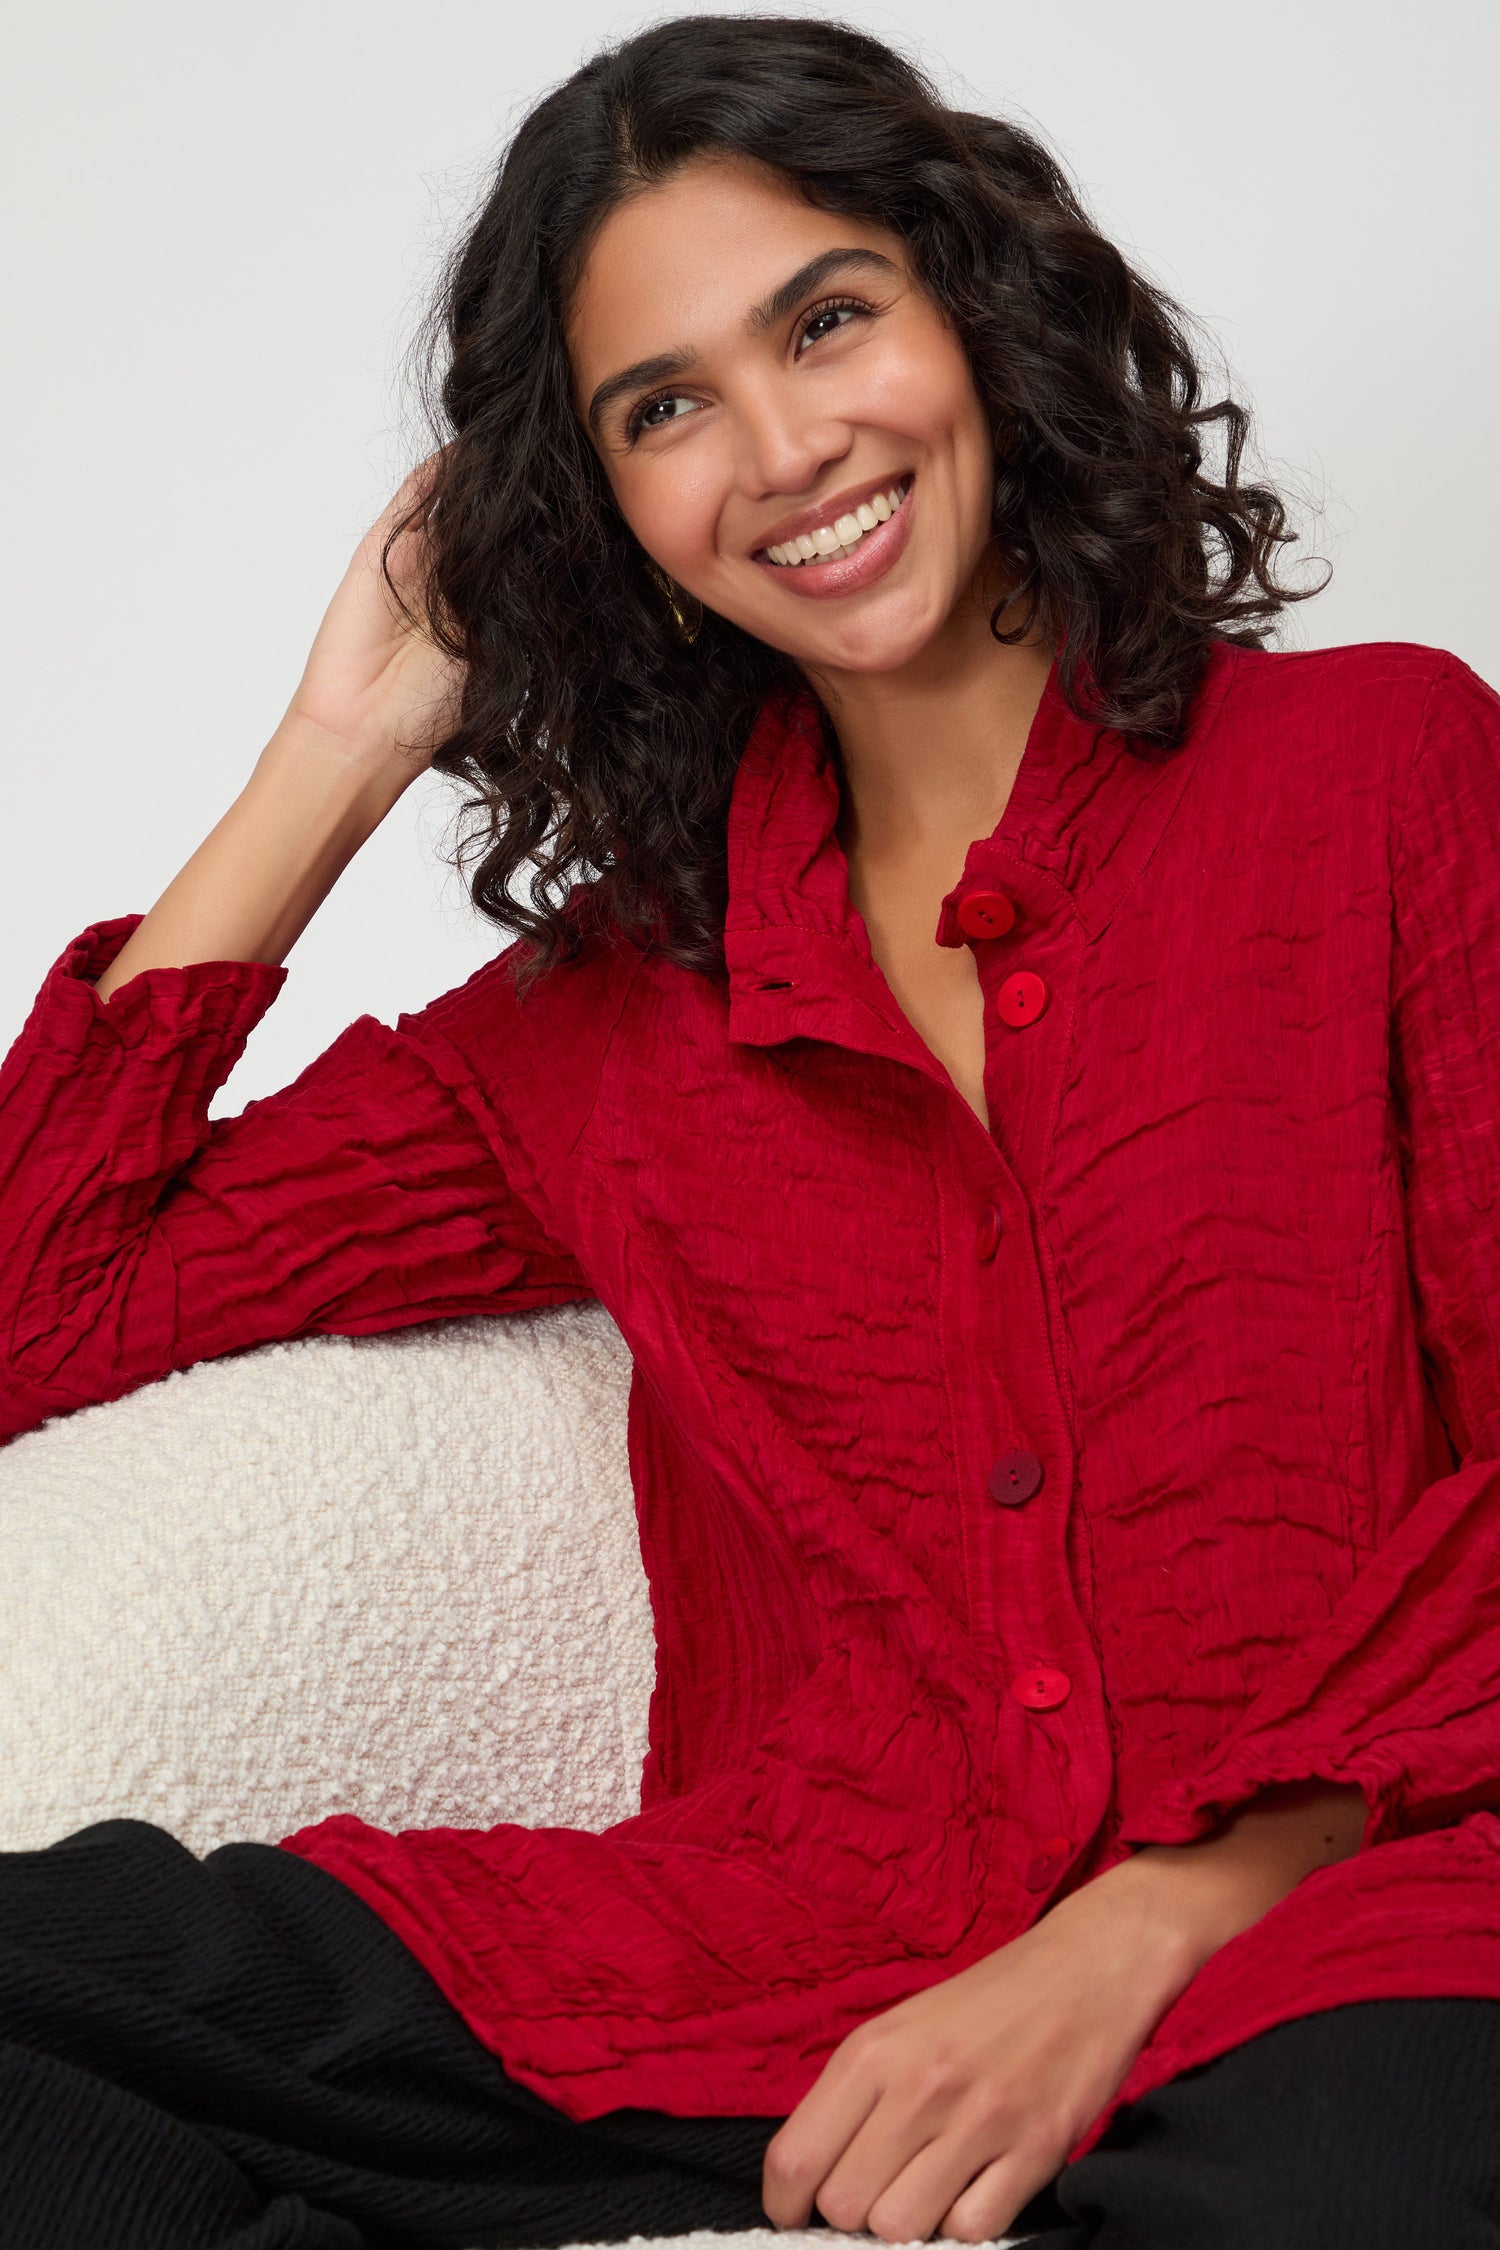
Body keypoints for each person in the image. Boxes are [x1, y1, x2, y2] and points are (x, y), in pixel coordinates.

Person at [1, 12, 1498, 2248]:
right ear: (602, 503)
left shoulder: (1384, 776)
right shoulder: (607, 1020)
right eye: (666, 408)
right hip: (775, 1969)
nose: (788, 447)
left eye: (828, 320)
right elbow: (49, 1297)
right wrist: (335, 748)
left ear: (972, 311)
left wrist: (1163, 1911)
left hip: (1350, 1938)